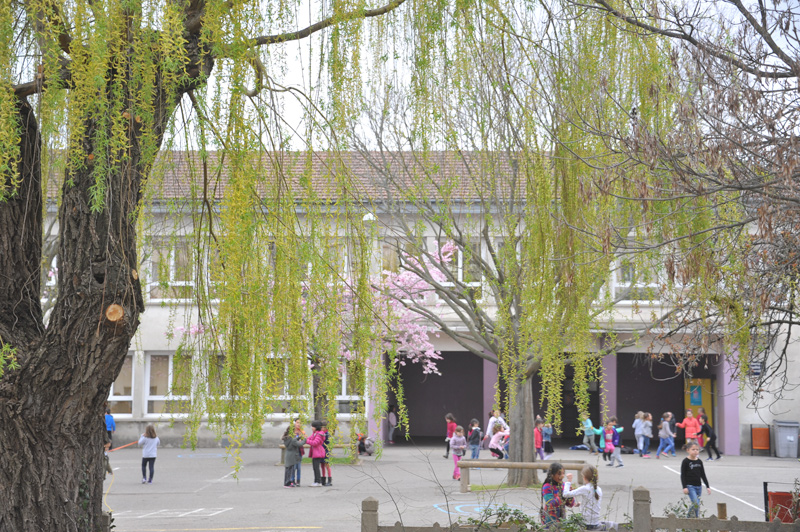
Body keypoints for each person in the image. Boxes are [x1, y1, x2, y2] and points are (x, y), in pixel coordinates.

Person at [562, 465, 617, 531]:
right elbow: (592, 503)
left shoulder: (585, 488)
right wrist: (581, 504)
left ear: (584, 477)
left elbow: (565, 494)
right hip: (595, 522)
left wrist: (569, 481)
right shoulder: (598, 489)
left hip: (586, 523)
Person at [680, 442, 711, 517]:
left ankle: (696, 520)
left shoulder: (699, 461)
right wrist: (684, 487)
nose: (695, 451)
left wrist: (707, 486)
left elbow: (703, 474)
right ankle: (688, 518)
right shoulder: (686, 461)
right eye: (693, 449)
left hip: (698, 486)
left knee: (697, 505)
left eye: (697, 449)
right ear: (688, 450)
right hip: (690, 486)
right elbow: (683, 475)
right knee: (695, 503)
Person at [540, 462, 574, 528]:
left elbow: (570, 504)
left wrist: (570, 494)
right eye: (559, 474)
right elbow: (550, 504)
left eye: (563, 473)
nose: (562, 476)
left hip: (562, 520)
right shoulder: (547, 486)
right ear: (552, 475)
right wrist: (562, 495)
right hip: (549, 520)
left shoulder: (563, 485)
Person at [306, 420, 326, 487]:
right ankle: (316, 481)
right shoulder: (315, 433)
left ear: (316, 427)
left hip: (317, 452)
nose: (311, 427)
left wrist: (306, 440)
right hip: (315, 453)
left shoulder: (319, 434)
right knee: (315, 467)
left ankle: (318, 481)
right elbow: (310, 438)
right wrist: (305, 439)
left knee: (316, 467)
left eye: (312, 426)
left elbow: (314, 443)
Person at [321, 420, 333, 486]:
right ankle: (323, 479)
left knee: (327, 465)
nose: (321, 428)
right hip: (321, 451)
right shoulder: (321, 433)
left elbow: (327, 443)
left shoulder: (327, 434)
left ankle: (329, 479)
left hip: (325, 450)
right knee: (322, 465)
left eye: (322, 427)